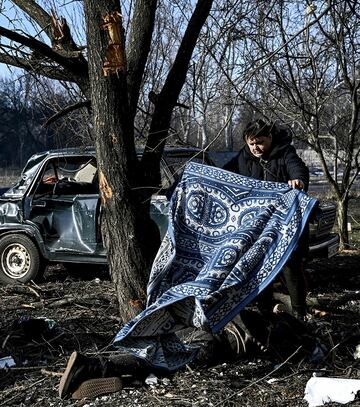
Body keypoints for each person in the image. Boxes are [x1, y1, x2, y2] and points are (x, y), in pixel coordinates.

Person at [58, 308, 316, 400]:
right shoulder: (273, 328)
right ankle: (98, 370)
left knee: (154, 355)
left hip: (200, 332)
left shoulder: (250, 312)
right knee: (158, 364)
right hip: (217, 345)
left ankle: (95, 368)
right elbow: (285, 351)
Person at [224, 118, 310, 320]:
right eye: (251, 143)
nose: (255, 148)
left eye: (260, 142)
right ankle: (265, 311)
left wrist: (298, 181)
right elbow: (224, 174)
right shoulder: (243, 157)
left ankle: (300, 313)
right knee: (259, 265)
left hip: (285, 223)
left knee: (290, 264)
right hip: (257, 224)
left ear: (270, 137)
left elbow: (299, 169)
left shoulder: (285, 152)